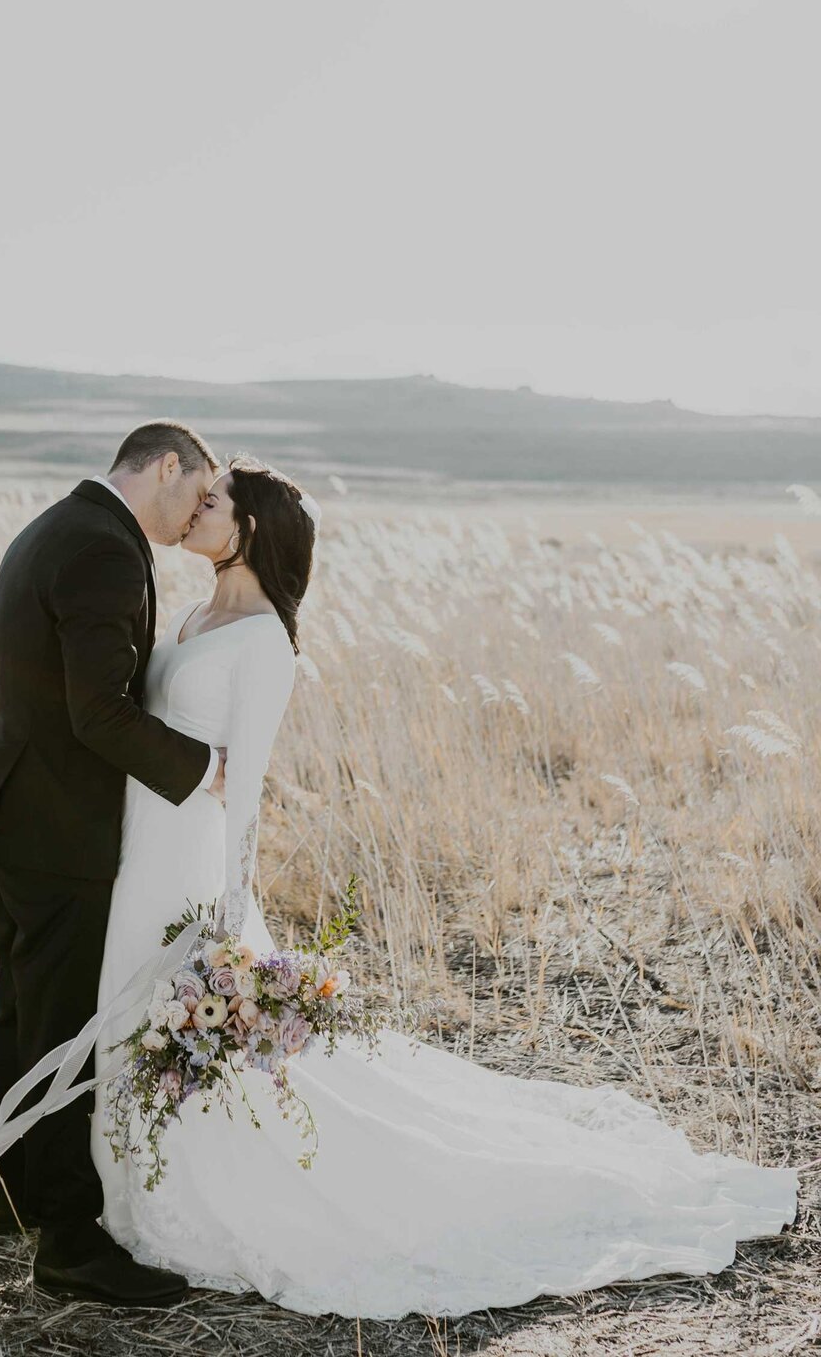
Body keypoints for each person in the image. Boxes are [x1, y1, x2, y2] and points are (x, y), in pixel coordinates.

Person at [79, 454, 798, 1319]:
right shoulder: (192, 612)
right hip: (140, 851)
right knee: (125, 1004)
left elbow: (252, 800)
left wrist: (235, 928)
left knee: (186, 1028)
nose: (197, 506)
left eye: (215, 499)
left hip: (191, 873)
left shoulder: (266, 645)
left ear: (252, 528)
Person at [0, 420, 227, 1307]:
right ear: (167, 466)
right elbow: (98, 712)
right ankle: (68, 1240)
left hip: (13, 800)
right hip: (54, 819)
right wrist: (201, 768)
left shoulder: (60, 522)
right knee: (64, 1024)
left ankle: (14, 1190)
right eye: (196, 491)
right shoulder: (105, 548)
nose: (191, 519)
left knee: (23, 1004)